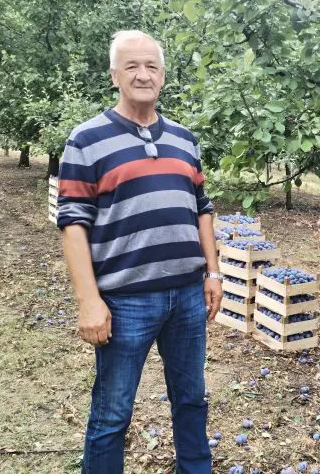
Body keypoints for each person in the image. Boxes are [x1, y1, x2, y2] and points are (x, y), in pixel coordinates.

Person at [56, 30, 222, 474]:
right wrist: (88, 301)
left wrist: (214, 273)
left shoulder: (185, 139)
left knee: (191, 399)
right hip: (125, 301)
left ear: (163, 75)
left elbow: (202, 209)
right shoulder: (86, 140)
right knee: (112, 415)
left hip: (187, 297)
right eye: (132, 66)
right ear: (115, 75)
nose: (143, 75)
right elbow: (73, 224)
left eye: (151, 66)